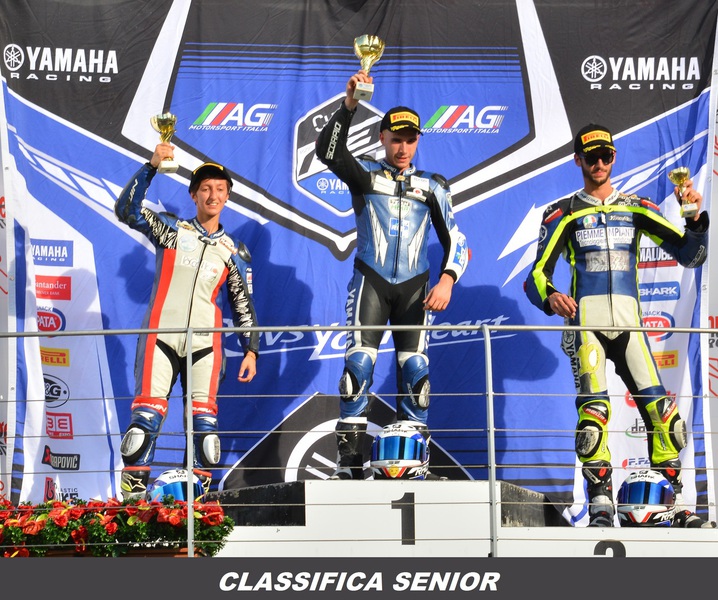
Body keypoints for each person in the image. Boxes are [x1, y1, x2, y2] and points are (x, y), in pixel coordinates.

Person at [524, 123, 713, 527]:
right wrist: (551, 296)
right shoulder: (563, 212)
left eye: (605, 156)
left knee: (665, 419)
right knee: (593, 418)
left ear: (613, 157)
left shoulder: (637, 207)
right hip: (586, 329)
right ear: (578, 160)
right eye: (591, 157)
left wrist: (695, 219)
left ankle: (673, 504)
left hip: (631, 328)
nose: (599, 163)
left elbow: (690, 256)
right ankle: (600, 506)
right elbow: (535, 276)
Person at [315, 70, 469, 480]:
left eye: (410, 140)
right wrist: (349, 105)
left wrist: (447, 279)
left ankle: (415, 467)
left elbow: (456, 239)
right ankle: (348, 467)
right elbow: (327, 151)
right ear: (382, 137)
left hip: (416, 289)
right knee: (357, 370)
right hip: (371, 281)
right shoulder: (365, 174)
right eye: (396, 139)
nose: (403, 148)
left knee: (416, 374)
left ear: (418, 141)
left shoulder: (432, 186)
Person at [115, 143, 260, 499]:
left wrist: (251, 349)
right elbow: (126, 210)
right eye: (206, 188)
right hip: (160, 338)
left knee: (204, 431)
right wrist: (151, 167)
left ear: (227, 197)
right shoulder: (171, 230)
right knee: (144, 421)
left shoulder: (234, 251)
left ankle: (196, 509)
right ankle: (132, 508)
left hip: (206, 346)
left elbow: (242, 303)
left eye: (220, 189)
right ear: (193, 195)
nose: (213, 195)